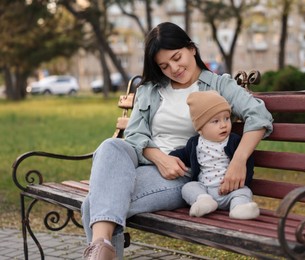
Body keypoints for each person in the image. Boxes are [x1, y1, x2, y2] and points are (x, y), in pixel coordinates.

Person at [81, 21, 273, 260]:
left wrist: (239, 161)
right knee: (110, 145)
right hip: (146, 163)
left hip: (184, 174)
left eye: (177, 57)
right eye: (164, 65)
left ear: (192, 48)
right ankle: (102, 246)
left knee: (93, 206)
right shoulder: (150, 89)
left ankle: (99, 247)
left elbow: (259, 116)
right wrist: (160, 158)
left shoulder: (218, 85)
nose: (173, 68)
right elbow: (134, 135)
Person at [169, 91, 259, 219]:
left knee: (244, 192)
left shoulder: (233, 141)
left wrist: (241, 183)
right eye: (215, 121)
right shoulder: (195, 143)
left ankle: (239, 208)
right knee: (188, 187)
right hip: (205, 189)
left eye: (227, 118)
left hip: (230, 191)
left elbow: (247, 163)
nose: (223, 125)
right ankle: (204, 201)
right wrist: (171, 157)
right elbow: (183, 154)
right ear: (200, 128)